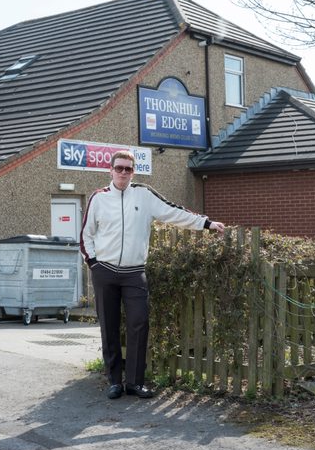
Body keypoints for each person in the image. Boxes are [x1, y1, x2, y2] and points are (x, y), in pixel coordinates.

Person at [80, 150, 225, 400]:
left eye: (128, 169)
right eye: (119, 168)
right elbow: (86, 235)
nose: (123, 173)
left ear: (133, 172)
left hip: (134, 273)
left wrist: (206, 223)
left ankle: (135, 382)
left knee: (139, 323)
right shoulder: (98, 198)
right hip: (105, 271)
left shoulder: (144, 195)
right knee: (109, 327)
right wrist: (93, 263)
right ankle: (115, 381)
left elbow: (173, 212)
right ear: (110, 170)